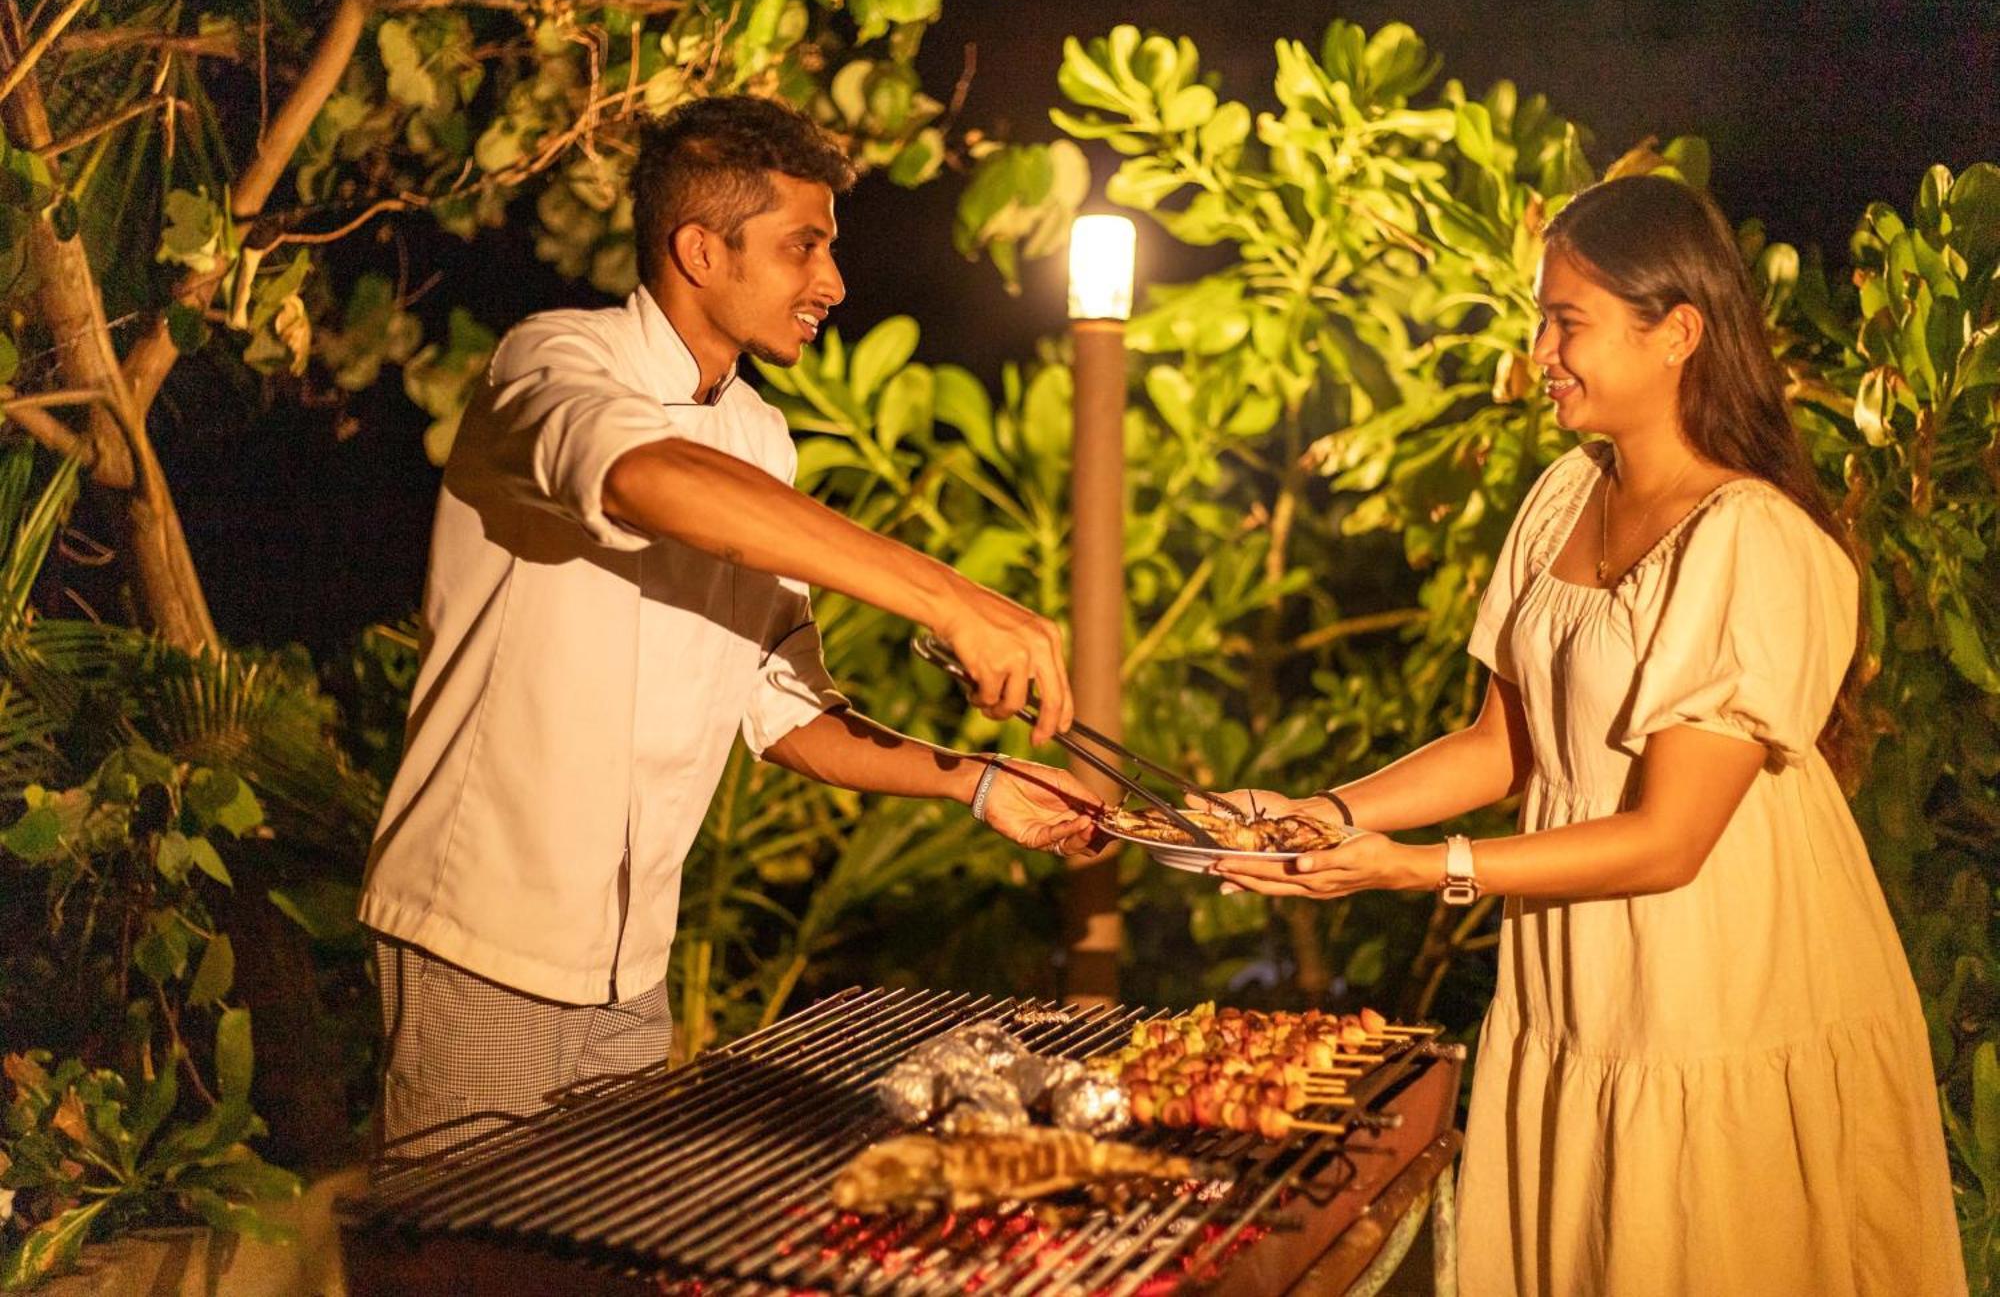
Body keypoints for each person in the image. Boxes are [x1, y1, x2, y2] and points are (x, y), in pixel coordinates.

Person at [1207, 175, 1965, 1295]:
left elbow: (1668, 841)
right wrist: (1324, 817)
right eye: (1540, 318)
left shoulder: (1750, 539)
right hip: (1576, 973)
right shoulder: (1564, 493)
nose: (1541, 349)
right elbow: (1501, 748)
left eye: (1567, 321)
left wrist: (1421, 870)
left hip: (1717, 975)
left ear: (1676, 333)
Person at [358, 96, 1100, 1161]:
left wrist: (973, 778)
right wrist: (946, 595)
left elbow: (783, 708)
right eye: (804, 247)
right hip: (481, 945)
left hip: (630, 979)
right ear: (700, 250)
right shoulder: (553, 360)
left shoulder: (759, 436)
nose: (833, 284)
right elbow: (643, 474)